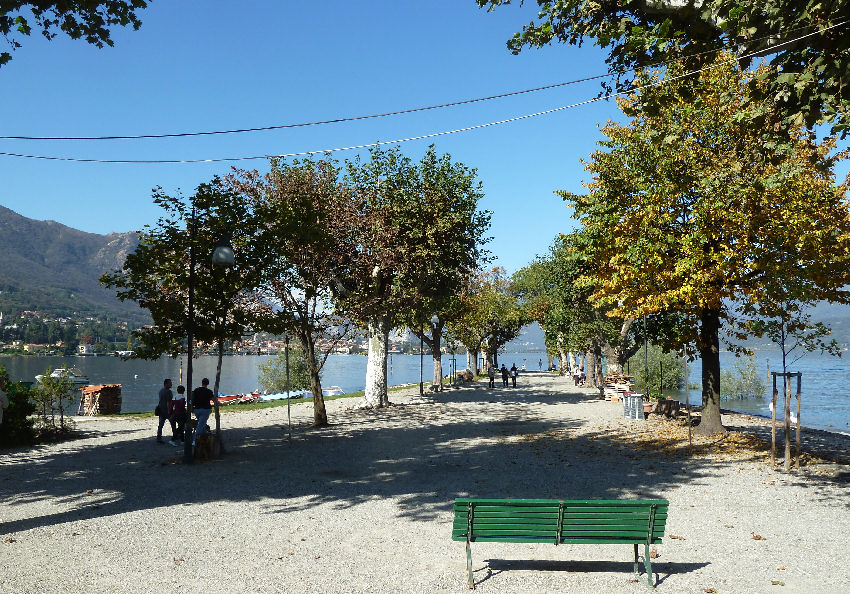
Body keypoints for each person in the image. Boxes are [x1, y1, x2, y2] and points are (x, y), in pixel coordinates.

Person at [191, 378, 214, 446]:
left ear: (202, 383)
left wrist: (192, 408)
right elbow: (213, 399)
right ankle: (194, 440)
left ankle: (204, 434)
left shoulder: (196, 390)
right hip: (205, 410)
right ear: (208, 384)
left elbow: (192, 399)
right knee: (200, 425)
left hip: (197, 410)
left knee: (202, 423)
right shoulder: (209, 391)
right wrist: (218, 403)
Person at [156, 378, 174, 444]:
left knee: (160, 424)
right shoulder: (169, 392)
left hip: (161, 409)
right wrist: (170, 410)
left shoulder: (161, 391)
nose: (171, 384)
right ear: (166, 384)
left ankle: (159, 436)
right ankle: (174, 436)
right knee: (172, 423)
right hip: (167, 410)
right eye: (170, 383)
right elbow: (169, 402)